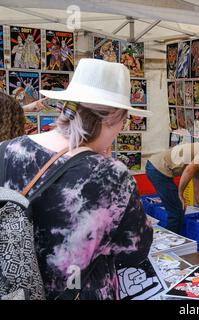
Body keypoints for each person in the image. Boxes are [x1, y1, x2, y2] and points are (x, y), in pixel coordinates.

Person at [0, 58, 153, 300]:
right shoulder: (112, 175)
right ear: (113, 118)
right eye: (124, 120)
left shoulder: (7, 150)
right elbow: (134, 251)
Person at [146, 142, 199, 234]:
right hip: (157, 169)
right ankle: (169, 242)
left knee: (177, 210)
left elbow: (197, 189)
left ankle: (172, 239)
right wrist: (180, 194)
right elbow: (188, 171)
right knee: (176, 211)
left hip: (157, 168)